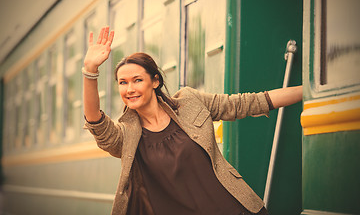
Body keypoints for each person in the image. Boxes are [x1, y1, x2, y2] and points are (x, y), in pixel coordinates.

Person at [83, 27, 302, 215]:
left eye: (137, 80)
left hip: (236, 210)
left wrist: (307, 91)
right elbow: (96, 123)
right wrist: (90, 71)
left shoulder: (189, 101)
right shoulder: (126, 136)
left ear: (155, 81)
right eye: (123, 83)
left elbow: (247, 103)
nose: (129, 89)